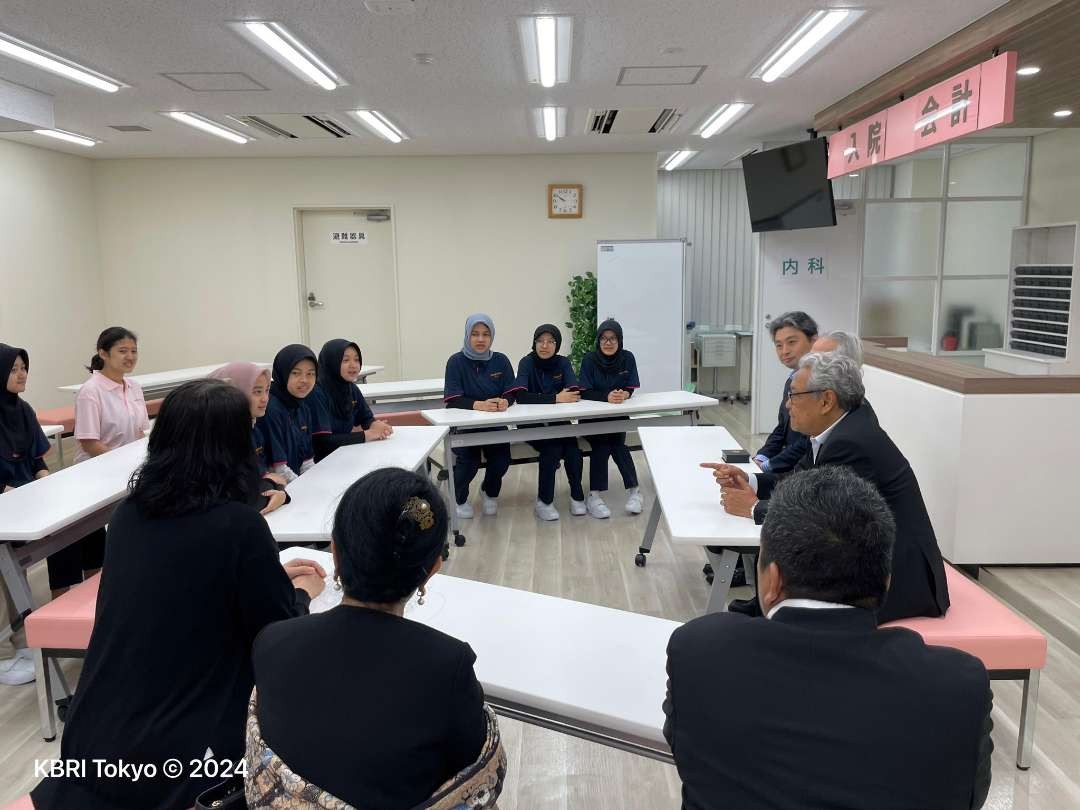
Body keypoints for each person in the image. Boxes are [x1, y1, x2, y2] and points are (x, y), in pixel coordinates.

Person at [31, 380, 325, 810]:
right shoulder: (239, 526)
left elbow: (184, 588)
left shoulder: (129, 516)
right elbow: (275, 633)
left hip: (91, 738)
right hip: (180, 760)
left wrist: (261, 575)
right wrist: (300, 592)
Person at [663, 466, 993, 810]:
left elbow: (685, 748)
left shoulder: (699, 651)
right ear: (887, 582)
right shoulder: (959, 685)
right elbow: (970, 793)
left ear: (772, 580)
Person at [248, 468, 506, 809]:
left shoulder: (272, 643)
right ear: (432, 569)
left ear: (335, 552)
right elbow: (466, 775)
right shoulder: (447, 666)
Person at [705, 352, 950, 622]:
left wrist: (752, 508)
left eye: (793, 395)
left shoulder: (852, 443)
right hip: (874, 558)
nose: (788, 406)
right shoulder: (839, 426)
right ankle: (757, 614)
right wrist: (750, 480)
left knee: (797, 564)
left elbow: (816, 516)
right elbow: (801, 483)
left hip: (898, 577)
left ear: (826, 400)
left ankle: (762, 628)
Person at [51, 327, 149, 597]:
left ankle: (121, 585)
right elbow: (89, 442)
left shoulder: (134, 386)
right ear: (103, 353)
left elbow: (140, 432)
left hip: (129, 470)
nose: (130, 357)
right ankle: (95, 592)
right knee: (98, 537)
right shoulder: (90, 391)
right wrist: (124, 465)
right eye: (123, 351)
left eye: (133, 351)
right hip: (96, 474)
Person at [0, 344, 52, 686]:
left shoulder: (22, 410)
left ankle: (22, 638)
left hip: (23, 500)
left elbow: (38, 460)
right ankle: (3, 653)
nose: (22, 374)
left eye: (24, 367)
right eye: (15, 368)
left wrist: (45, 481)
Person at [443, 314, 523, 519]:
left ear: (492, 337)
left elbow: (511, 392)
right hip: (464, 427)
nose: (480, 339)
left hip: (494, 424)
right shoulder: (456, 362)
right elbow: (452, 399)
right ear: (467, 336)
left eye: (486, 334)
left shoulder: (501, 360)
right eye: (475, 334)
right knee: (469, 462)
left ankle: (489, 492)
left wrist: (506, 401)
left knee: (502, 459)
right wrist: (479, 405)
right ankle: (459, 499)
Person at [514, 324, 586, 520]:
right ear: (534, 343)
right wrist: (555, 398)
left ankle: (577, 496)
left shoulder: (562, 363)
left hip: (557, 421)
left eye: (550, 342)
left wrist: (554, 397)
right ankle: (544, 502)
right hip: (530, 423)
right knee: (552, 448)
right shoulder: (526, 363)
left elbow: (573, 392)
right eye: (540, 341)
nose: (545, 346)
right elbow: (520, 396)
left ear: (557, 344)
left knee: (573, 450)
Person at [207, 362, 291, 514]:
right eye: (257, 392)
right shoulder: (219, 439)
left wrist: (274, 487)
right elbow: (242, 500)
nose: (265, 399)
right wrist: (275, 488)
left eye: (267, 391)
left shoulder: (252, 428)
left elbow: (261, 483)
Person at [579, 319, 642, 519]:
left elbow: (630, 387)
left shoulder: (627, 358)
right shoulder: (589, 359)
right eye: (604, 338)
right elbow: (585, 391)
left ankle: (635, 493)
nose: (608, 342)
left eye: (613, 338)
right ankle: (594, 496)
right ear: (598, 340)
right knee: (602, 445)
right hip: (592, 418)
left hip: (617, 416)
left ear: (619, 340)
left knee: (617, 445)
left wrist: (624, 395)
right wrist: (606, 396)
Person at [753, 311, 817, 474]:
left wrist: (769, 466)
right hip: (787, 465)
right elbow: (782, 427)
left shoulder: (819, 385)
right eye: (779, 345)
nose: (784, 351)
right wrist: (761, 458)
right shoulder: (793, 379)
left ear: (814, 340)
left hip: (806, 472)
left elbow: (808, 442)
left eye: (792, 342)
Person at [309, 338, 393, 463]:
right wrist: (368, 434)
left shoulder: (350, 388)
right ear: (332, 362)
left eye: (357, 359)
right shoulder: (316, 392)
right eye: (345, 360)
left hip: (345, 456)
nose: (353, 365)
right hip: (320, 464)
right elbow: (323, 443)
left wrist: (375, 425)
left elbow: (365, 418)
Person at [263, 344, 321, 482]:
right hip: (277, 490)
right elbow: (278, 470)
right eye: (296, 373)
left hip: (294, 484)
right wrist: (306, 487)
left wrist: (318, 481)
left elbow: (306, 462)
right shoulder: (270, 409)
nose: (304, 380)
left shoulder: (302, 407)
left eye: (310, 374)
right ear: (283, 372)